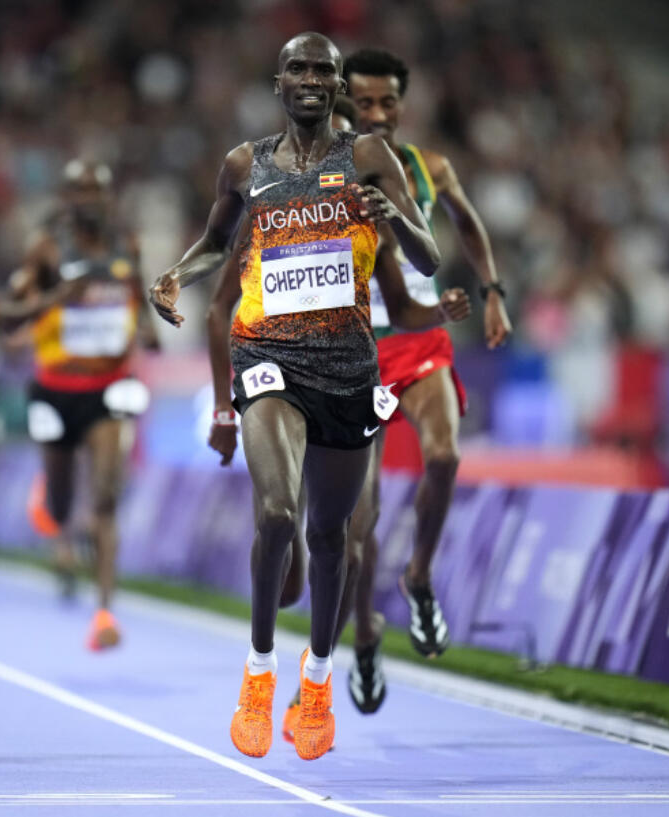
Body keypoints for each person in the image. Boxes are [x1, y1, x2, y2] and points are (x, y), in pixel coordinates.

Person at [149, 33, 439, 760]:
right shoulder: (245, 164)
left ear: (336, 85)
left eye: (323, 70)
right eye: (298, 69)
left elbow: (430, 254)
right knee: (277, 511)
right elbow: (217, 241)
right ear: (279, 82)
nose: (310, 79)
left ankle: (316, 678)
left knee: (331, 538)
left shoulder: (370, 156)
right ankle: (257, 671)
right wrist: (175, 274)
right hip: (267, 354)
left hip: (346, 366)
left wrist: (394, 215)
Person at [331, 47, 513, 714]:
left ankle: (419, 576)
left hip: (418, 338)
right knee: (360, 521)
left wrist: (491, 289)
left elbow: (467, 220)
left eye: (388, 102)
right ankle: (366, 637)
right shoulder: (320, 174)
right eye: (364, 102)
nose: (377, 114)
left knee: (445, 453)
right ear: (342, 103)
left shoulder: (428, 167)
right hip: (352, 350)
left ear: (403, 104)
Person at [0, 159, 157, 650]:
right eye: (80, 192)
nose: (89, 200)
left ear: (109, 199)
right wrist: (54, 299)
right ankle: (52, 496)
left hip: (109, 386)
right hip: (56, 390)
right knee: (63, 506)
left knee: (106, 498)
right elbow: (5, 312)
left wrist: (149, 329)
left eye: (97, 191)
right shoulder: (47, 251)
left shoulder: (126, 247)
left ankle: (104, 612)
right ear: (66, 199)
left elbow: (140, 301)